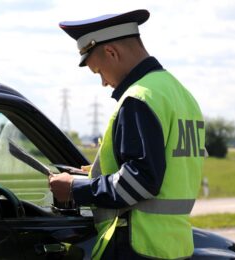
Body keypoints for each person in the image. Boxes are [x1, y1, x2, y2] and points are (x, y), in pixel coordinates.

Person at [49, 9, 205, 259]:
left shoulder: (139, 98)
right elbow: (165, 170)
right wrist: (98, 173)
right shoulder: (180, 95)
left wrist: (75, 189)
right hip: (174, 245)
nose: (103, 82)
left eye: (98, 71)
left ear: (111, 52)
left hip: (139, 244)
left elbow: (140, 181)